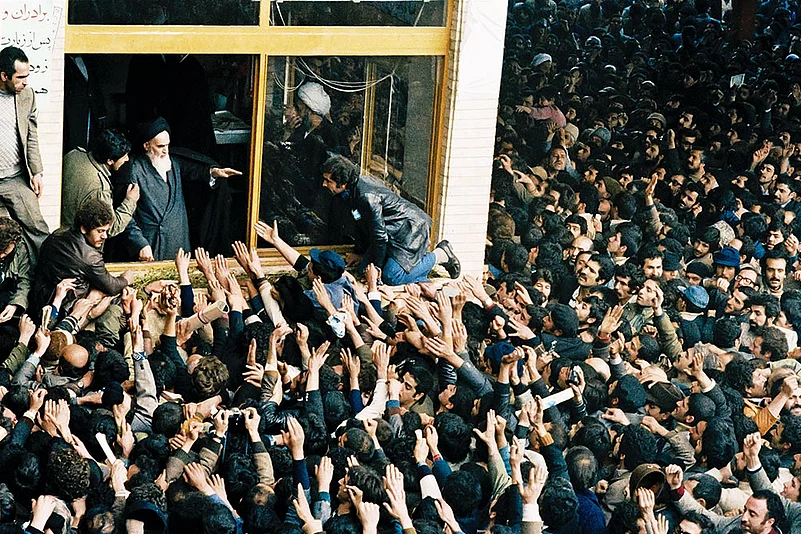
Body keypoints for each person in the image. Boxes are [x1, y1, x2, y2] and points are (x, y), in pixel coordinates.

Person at [113, 117, 241, 261]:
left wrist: (214, 172)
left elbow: (196, 171)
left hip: (179, 241)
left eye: (167, 145)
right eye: (160, 146)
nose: (166, 151)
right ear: (146, 146)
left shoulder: (172, 162)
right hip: (152, 245)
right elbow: (125, 215)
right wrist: (140, 244)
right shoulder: (134, 170)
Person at [321, 154, 460, 285]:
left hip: (409, 231)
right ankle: (415, 271)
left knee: (391, 276)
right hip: (391, 233)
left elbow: (379, 237)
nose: (324, 184)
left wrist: (377, 270)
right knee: (362, 270)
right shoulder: (349, 192)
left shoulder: (367, 197)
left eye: (329, 181)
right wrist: (362, 254)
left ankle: (441, 254)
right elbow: (361, 223)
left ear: (343, 183)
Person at [31, 198, 132, 315]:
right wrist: (126, 279)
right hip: (66, 309)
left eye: (106, 231)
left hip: (40, 300)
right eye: (100, 231)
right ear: (83, 229)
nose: (105, 236)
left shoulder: (57, 234)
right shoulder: (90, 257)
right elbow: (111, 286)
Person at [0, 46, 49, 259]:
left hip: (15, 177)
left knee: (37, 228)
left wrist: (37, 172)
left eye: (27, 76)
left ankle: (50, 278)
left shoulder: (27, 96)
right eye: (20, 77)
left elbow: (31, 135)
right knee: (3, 237)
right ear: (4, 76)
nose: (25, 82)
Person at [60, 128, 139, 237]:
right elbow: (111, 228)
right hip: (79, 244)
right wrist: (130, 201)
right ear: (110, 161)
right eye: (123, 156)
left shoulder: (74, 155)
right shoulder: (100, 188)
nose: (126, 159)